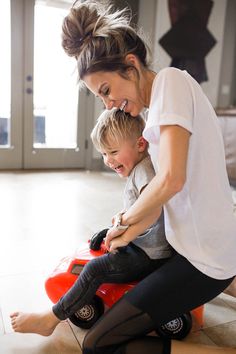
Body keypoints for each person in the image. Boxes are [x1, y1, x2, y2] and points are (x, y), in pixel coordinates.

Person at [12, 1, 236, 353]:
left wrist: (127, 220)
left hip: (203, 257)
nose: (108, 103)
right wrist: (125, 228)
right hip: (190, 247)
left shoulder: (171, 83)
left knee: (98, 345)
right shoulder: (153, 111)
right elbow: (163, 196)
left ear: (130, 65)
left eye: (105, 90)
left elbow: (171, 180)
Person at [10, 108, 173, 335]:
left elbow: (152, 210)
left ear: (140, 144)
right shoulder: (139, 169)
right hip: (143, 246)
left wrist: (124, 235)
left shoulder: (144, 171)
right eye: (104, 153)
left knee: (95, 269)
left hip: (150, 255)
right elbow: (138, 208)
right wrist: (117, 223)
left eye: (113, 151)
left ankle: (51, 319)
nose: (108, 160)